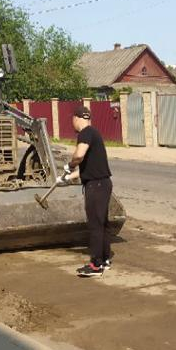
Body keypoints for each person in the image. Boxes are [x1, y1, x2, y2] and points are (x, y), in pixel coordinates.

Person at [66, 106, 114, 278]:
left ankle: (95, 265)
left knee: (95, 224)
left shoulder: (85, 133)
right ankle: (105, 259)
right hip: (103, 183)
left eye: (72, 119)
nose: (72, 122)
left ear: (77, 118)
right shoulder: (95, 133)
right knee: (102, 224)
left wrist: (70, 164)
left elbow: (79, 156)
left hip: (96, 186)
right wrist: (68, 177)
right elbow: (89, 168)